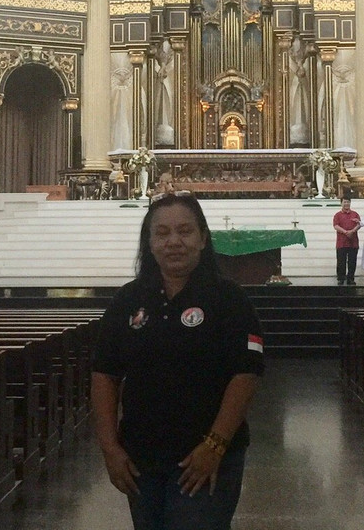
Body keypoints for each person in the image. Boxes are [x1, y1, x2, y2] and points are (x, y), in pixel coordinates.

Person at [91, 192, 264, 530]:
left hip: (207, 458)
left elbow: (246, 374)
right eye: (162, 233)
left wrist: (214, 446)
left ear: (203, 238)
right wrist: (110, 448)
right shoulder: (128, 299)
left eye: (185, 231)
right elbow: (105, 373)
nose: (174, 242)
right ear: (149, 242)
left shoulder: (230, 299)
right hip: (141, 458)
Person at [333, 197, 361, 285]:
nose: (346, 204)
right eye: (344, 202)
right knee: (341, 261)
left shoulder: (355, 214)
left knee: (352, 261)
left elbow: (359, 224)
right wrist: (345, 232)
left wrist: (352, 231)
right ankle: (341, 278)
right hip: (341, 242)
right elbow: (336, 226)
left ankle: (350, 278)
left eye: (348, 202)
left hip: (353, 242)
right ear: (341, 203)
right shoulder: (337, 215)